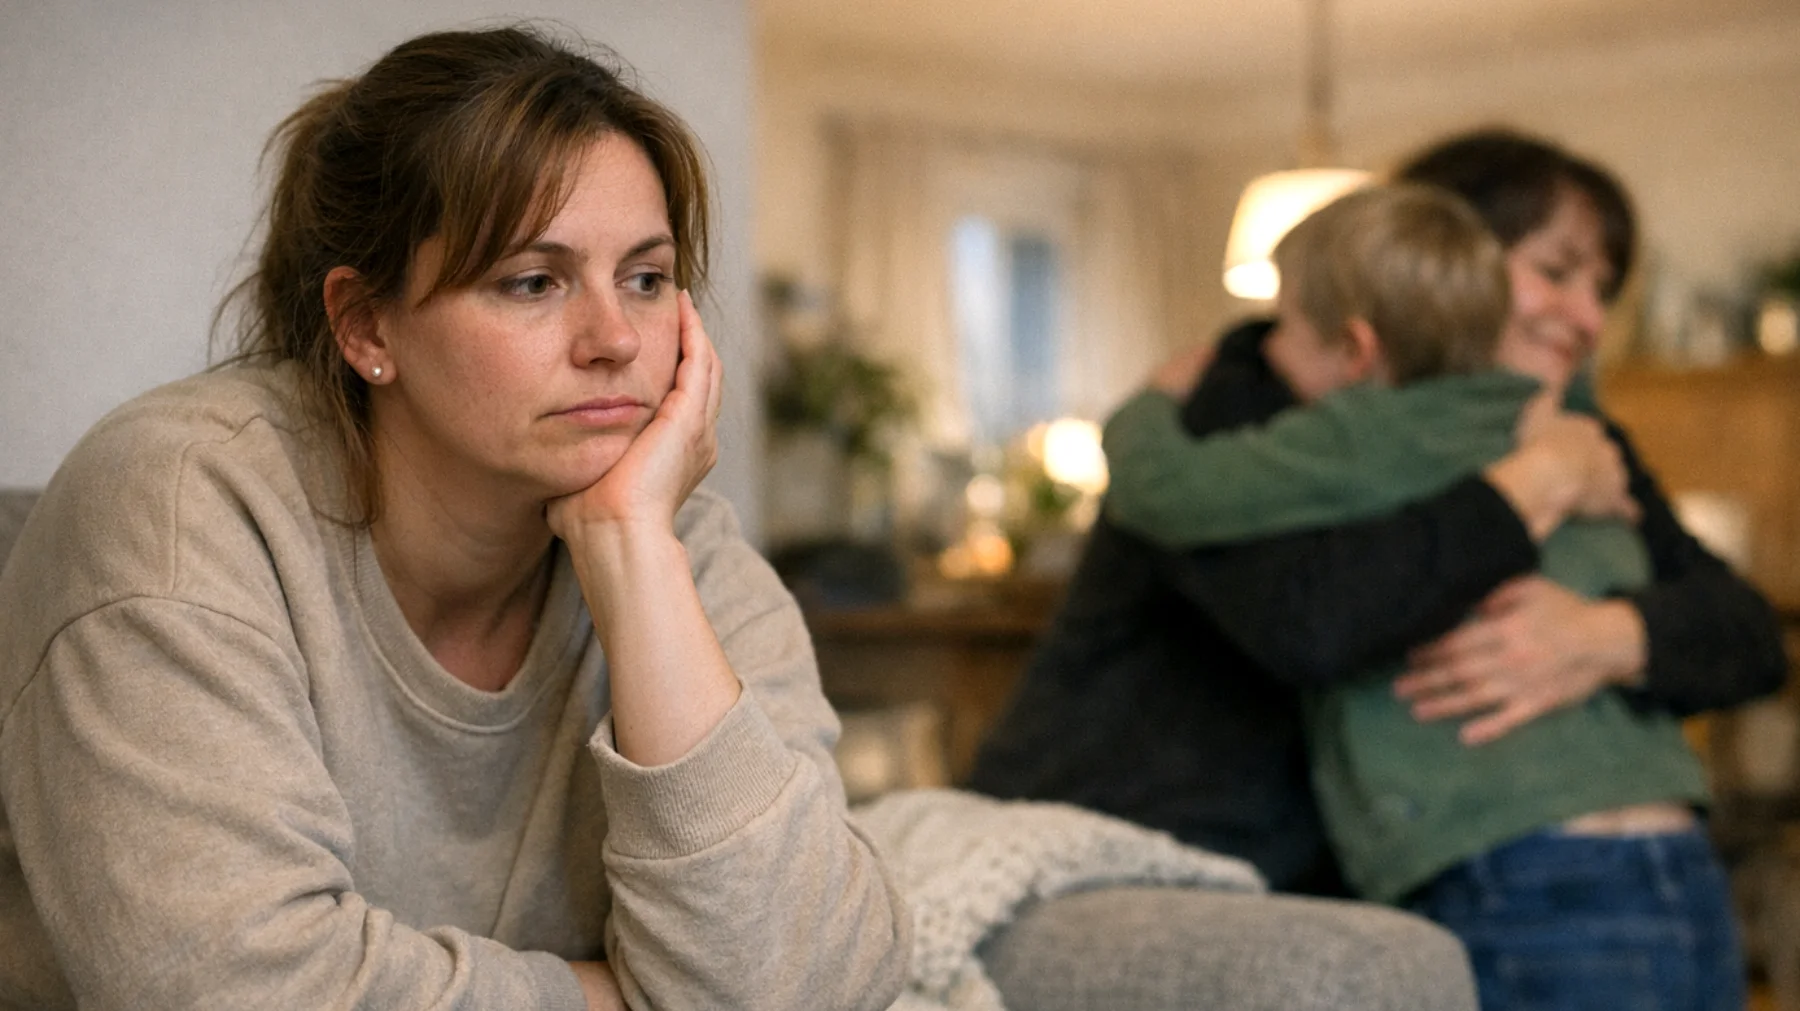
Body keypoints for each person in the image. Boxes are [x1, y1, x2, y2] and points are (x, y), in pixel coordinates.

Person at [0, 26, 908, 1011]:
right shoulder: (179, 508)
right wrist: (639, 999)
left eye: (645, 279)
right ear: (365, 325)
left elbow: (815, 984)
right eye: (533, 281)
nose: (613, 339)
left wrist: (629, 548)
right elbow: (229, 989)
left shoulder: (678, 541)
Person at [968, 127, 1785, 907]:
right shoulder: (1249, 395)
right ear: (1432, 256)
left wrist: (1604, 635)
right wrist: (1529, 485)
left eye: (1602, 289)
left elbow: (1747, 634)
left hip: (1351, 889)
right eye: (1556, 271)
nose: (1589, 320)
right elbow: (1312, 621)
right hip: (1112, 846)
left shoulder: (1554, 426)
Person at [1098, 180, 1737, 1008]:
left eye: (1284, 328)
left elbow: (1163, 488)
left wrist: (1153, 399)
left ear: (1359, 350)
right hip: (1676, 856)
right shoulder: (1553, 421)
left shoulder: (1361, 431)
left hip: (1518, 867)